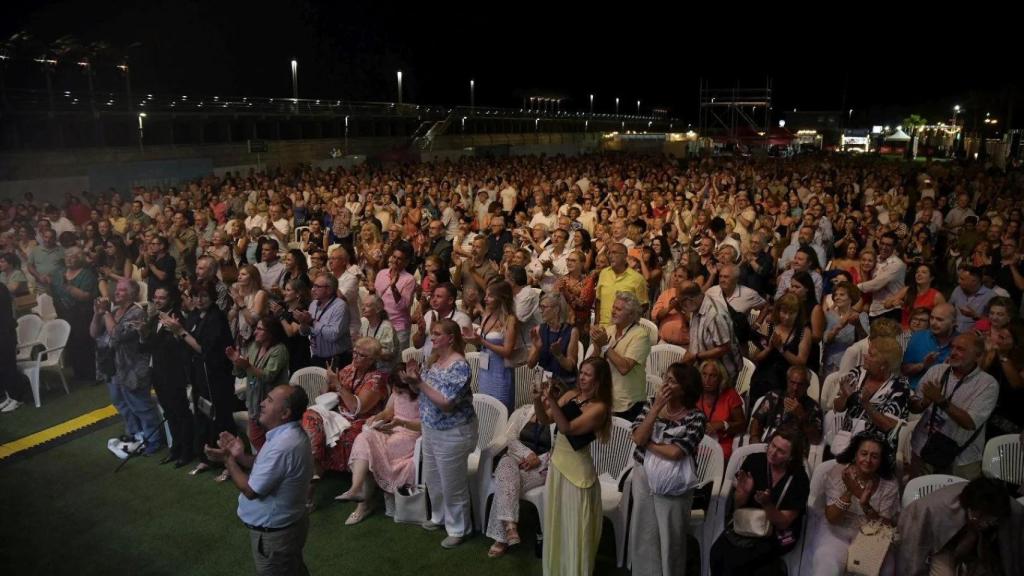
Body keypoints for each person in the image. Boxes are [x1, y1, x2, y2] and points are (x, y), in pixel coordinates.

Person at [204, 385, 314, 576]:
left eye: (270, 400)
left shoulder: (283, 445)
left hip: (276, 535)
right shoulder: (286, 435)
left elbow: (250, 490)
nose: (262, 403)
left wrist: (227, 459)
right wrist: (240, 456)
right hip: (287, 528)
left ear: (285, 412)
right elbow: (267, 467)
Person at [404, 318, 477, 549]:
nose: (432, 337)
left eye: (437, 334)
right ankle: (439, 516)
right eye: (432, 333)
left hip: (454, 432)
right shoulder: (436, 361)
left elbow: (446, 402)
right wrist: (414, 380)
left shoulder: (460, 366)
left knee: (452, 483)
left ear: (451, 338)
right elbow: (425, 393)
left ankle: (458, 528)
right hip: (431, 429)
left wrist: (420, 383)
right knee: (433, 478)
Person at [536, 356, 612, 576]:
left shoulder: (599, 408)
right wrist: (538, 401)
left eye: (588, 374)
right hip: (558, 468)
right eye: (581, 372)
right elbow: (545, 420)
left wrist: (550, 399)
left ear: (599, 380)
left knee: (575, 529)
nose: (582, 377)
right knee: (557, 524)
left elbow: (567, 427)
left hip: (577, 475)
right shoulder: (571, 395)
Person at [629, 362, 707, 576]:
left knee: (670, 538)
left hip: (674, 486)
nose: (665, 384)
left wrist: (649, 445)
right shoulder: (651, 404)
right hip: (644, 479)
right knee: (644, 533)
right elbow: (637, 436)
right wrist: (655, 409)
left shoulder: (696, 417)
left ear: (685, 387)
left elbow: (677, 453)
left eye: (672, 381)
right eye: (666, 378)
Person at [709, 429, 810, 576]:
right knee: (717, 553)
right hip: (748, 524)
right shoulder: (754, 461)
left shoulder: (799, 478)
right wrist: (743, 493)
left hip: (778, 533)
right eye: (772, 445)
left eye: (781, 451)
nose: (773, 452)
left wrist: (767, 504)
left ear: (791, 457)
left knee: (738, 562)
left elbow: (784, 523)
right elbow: (738, 505)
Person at [168, 279, 237, 477]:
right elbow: (187, 342)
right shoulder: (194, 315)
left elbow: (204, 349)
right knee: (203, 416)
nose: (199, 300)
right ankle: (207, 457)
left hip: (216, 375)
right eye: (196, 296)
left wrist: (179, 332)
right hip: (199, 374)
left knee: (220, 418)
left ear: (212, 297)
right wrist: (177, 332)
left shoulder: (217, 317)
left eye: (204, 296)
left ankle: (229, 461)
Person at [909, 333, 999, 480]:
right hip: (923, 448)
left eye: (961, 349)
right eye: (953, 347)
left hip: (961, 459)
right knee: (918, 498)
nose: (953, 352)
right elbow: (914, 406)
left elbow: (970, 423)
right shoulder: (936, 371)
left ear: (978, 356)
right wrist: (924, 402)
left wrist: (941, 400)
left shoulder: (988, 384)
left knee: (960, 502)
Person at [807, 433, 900, 576]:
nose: (868, 460)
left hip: (871, 537)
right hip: (836, 532)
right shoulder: (837, 472)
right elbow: (832, 518)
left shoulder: (889, 484)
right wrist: (850, 490)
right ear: (855, 454)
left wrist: (865, 505)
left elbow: (886, 527)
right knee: (827, 565)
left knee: (884, 569)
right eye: (864, 453)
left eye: (874, 456)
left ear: (881, 461)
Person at [90, 279, 163, 455]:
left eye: (122, 290)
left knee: (140, 405)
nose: (116, 292)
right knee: (121, 403)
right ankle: (137, 434)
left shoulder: (137, 313)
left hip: (132, 368)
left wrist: (106, 312)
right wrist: (98, 314)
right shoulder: (114, 310)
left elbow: (116, 335)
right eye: (117, 289)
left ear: (132, 294)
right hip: (112, 367)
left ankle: (153, 439)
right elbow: (93, 333)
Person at [897, 477, 1024, 576]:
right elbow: (913, 549)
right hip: (940, 547)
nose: (989, 524)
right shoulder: (935, 508)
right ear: (973, 511)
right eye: (986, 520)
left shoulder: (1009, 509)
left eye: (992, 521)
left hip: (976, 547)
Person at [342, 370, 422, 525]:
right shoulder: (395, 393)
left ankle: (362, 502)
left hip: (411, 436)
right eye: (395, 390)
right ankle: (356, 489)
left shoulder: (422, 397)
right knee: (363, 437)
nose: (396, 393)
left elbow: (425, 425)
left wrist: (401, 423)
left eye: (400, 390)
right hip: (394, 430)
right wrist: (375, 419)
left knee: (371, 448)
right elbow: (387, 412)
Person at [485, 401, 553, 558]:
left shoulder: (560, 418)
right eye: (541, 393)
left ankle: (503, 536)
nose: (545, 398)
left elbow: (558, 450)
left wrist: (537, 460)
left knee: (505, 481)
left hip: (541, 467)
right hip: (515, 458)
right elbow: (510, 437)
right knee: (507, 468)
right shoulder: (523, 412)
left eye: (549, 394)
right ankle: (510, 524)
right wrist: (527, 454)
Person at [139, 286, 194, 466]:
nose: (157, 301)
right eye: (155, 297)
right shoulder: (155, 318)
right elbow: (147, 347)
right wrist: (142, 334)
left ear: (170, 299)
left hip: (174, 373)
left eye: (162, 298)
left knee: (181, 413)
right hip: (158, 373)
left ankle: (187, 452)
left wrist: (174, 334)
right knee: (169, 413)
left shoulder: (177, 317)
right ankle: (175, 449)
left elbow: (180, 348)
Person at [830, 336, 910, 457]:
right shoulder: (857, 373)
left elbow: (888, 426)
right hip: (847, 442)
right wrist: (845, 396)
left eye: (871, 355)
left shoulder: (899, 388)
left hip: (877, 449)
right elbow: (837, 407)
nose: (865, 356)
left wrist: (866, 404)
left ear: (884, 365)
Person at [227, 317, 291, 452]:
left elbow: (268, 376)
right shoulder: (255, 346)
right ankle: (265, 463)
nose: (255, 332)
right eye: (256, 328)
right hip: (254, 401)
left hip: (272, 405)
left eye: (260, 329)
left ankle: (271, 465)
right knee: (255, 437)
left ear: (271, 332)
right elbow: (242, 373)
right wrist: (237, 361)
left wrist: (248, 366)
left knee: (273, 441)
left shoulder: (279, 350)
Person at [589, 291, 651, 421]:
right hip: (605, 398)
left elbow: (624, 368)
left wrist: (605, 346)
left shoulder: (640, 335)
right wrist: (596, 345)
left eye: (618, 309)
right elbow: (595, 365)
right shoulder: (609, 330)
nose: (613, 311)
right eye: (613, 307)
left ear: (631, 314)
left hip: (628, 404)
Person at [750, 293, 812, 410]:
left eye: (791, 313)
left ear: (798, 314)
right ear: (778, 311)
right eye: (784, 312)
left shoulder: (804, 332)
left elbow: (801, 362)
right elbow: (755, 357)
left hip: (785, 382)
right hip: (763, 378)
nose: (787, 317)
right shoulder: (770, 326)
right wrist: (769, 349)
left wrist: (781, 349)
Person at [53, 246, 99, 382]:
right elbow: (54, 291)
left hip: (82, 315)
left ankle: (92, 375)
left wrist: (68, 286)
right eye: (67, 256)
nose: (68, 259)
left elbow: (86, 296)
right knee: (71, 344)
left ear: (79, 259)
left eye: (72, 256)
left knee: (84, 344)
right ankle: (78, 375)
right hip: (64, 314)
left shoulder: (87, 274)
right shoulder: (59, 273)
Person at [749, 365, 824, 448]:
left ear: (807, 385)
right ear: (787, 381)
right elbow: (757, 421)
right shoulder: (773, 397)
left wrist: (801, 416)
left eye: (800, 384)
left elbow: (816, 439)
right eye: (792, 383)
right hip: (767, 447)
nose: (795, 388)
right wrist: (754, 439)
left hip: (795, 453)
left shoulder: (814, 407)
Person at [295, 273, 350, 369]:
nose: (313, 289)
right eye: (313, 286)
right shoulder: (313, 304)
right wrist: (303, 323)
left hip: (336, 360)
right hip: (317, 358)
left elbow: (333, 335)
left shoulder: (340, 306)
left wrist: (312, 322)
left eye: (317, 287)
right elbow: (305, 333)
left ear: (329, 289)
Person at [528, 293, 579, 389]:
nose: (540, 311)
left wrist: (559, 355)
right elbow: (530, 364)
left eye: (543, 307)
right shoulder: (539, 329)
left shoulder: (572, 332)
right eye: (540, 307)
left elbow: (570, 366)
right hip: (543, 382)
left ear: (556, 309)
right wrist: (538, 349)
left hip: (563, 383)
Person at [698, 359, 745, 461]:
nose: (707, 380)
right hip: (696, 441)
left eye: (713, 376)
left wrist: (724, 424)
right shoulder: (695, 392)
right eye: (704, 374)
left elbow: (742, 425)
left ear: (720, 378)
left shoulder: (730, 395)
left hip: (720, 444)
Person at [374, 245, 417, 352]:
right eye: (394, 257)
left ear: (406, 262)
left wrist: (393, 288)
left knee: (397, 363)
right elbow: (376, 298)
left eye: (399, 259)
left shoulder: (409, 279)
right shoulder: (381, 273)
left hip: (398, 327)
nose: (395, 261)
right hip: (380, 324)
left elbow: (404, 306)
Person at [595, 242, 648, 326]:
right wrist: (596, 323)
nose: (611, 256)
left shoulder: (637, 279)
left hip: (624, 330)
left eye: (615, 253)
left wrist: (629, 323)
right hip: (603, 328)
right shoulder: (604, 273)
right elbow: (598, 300)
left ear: (625, 256)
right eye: (609, 253)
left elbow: (643, 305)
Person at [823, 282, 868, 379]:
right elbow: (825, 339)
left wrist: (858, 325)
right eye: (835, 295)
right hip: (831, 363)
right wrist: (836, 329)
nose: (837, 297)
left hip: (852, 363)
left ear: (851, 297)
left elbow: (866, 341)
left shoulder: (861, 317)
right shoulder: (828, 315)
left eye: (842, 294)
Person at [269, 278, 313, 373]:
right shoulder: (284, 307)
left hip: (298, 355)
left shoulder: (301, 311)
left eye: (288, 290)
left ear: (298, 294)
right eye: (285, 289)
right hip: (284, 352)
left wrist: (281, 316)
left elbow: (291, 332)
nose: (284, 293)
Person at [359, 294, 399, 373]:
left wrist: (368, 350)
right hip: (367, 368)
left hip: (384, 370)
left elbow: (388, 356)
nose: (363, 308)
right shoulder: (364, 322)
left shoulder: (387, 328)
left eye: (367, 306)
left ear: (378, 309)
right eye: (362, 305)